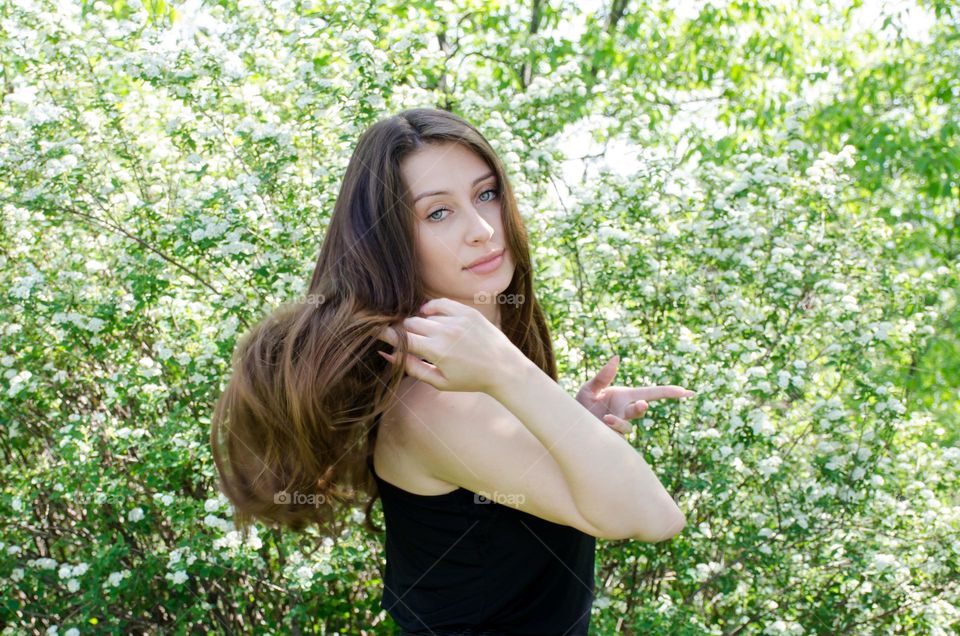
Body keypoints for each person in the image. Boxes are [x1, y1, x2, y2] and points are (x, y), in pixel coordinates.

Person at [210, 108, 693, 635]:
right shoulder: (437, 398)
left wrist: (565, 421)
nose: (483, 229)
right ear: (389, 241)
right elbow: (654, 518)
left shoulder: (465, 370)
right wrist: (516, 375)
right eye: (438, 213)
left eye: (486, 194)